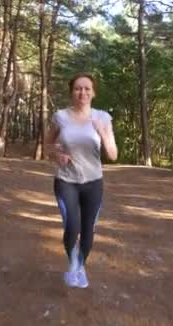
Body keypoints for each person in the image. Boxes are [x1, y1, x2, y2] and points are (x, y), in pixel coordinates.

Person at [44, 73, 118, 288]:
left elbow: (113, 155)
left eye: (87, 89)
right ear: (71, 92)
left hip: (94, 182)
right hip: (66, 180)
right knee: (72, 226)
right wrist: (56, 155)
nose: (82, 93)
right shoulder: (61, 117)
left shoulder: (103, 117)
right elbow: (47, 145)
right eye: (78, 88)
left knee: (87, 231)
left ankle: (80, 267)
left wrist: (103, 133)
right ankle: (73, 265)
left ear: (93, 92)